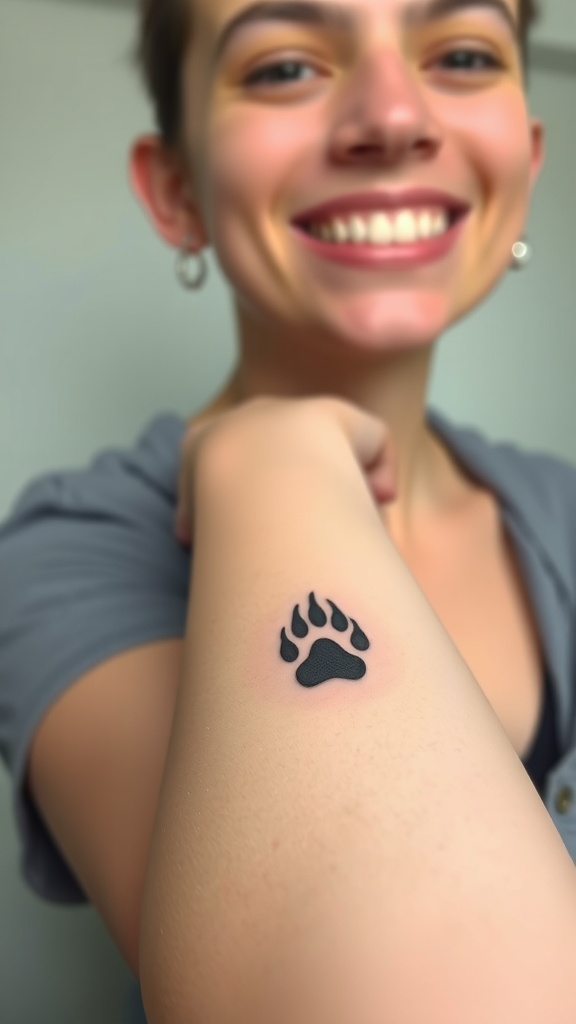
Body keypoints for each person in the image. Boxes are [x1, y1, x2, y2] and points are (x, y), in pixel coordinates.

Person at [2, 0, 576, 1022]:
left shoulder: (565, 509)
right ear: (175, 190)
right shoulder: (70, 556)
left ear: (526, 165)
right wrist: (273, 465)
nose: (393, 116)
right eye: (282, 68)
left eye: (461, 53)